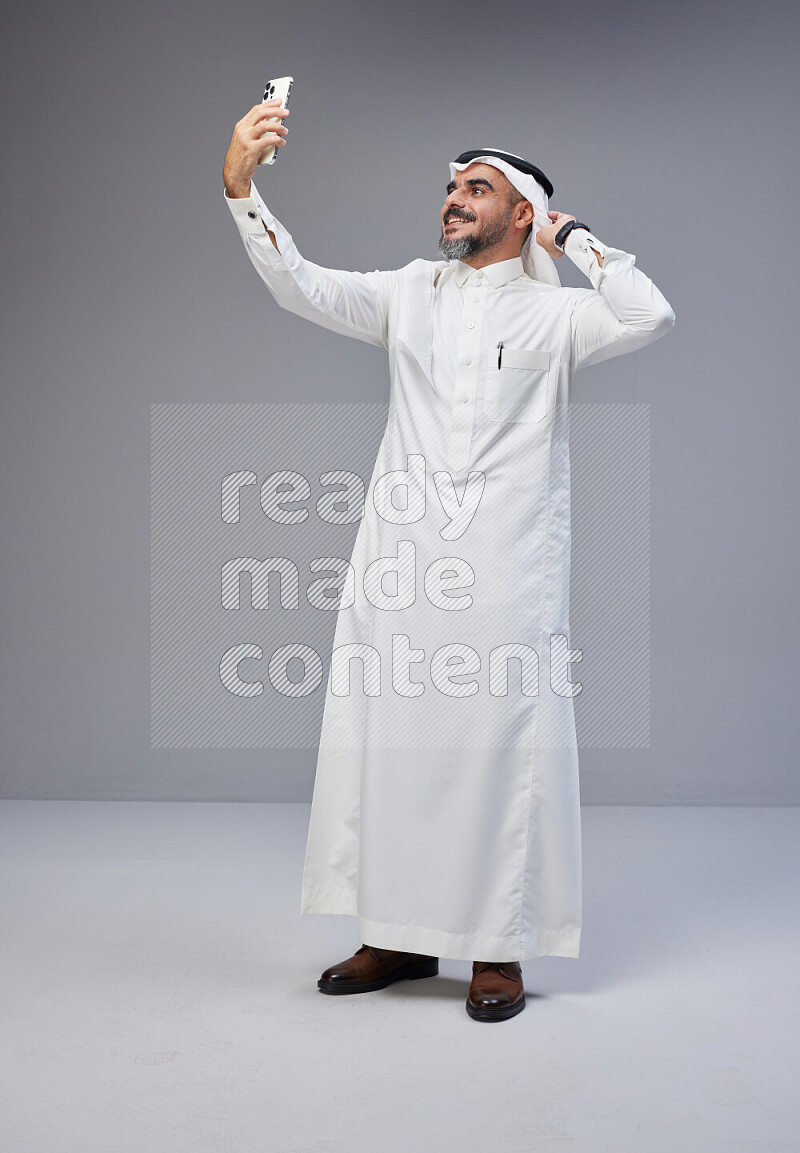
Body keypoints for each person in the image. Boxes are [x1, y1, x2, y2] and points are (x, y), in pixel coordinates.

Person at [223, 100, 675, 1022]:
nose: (453, 202)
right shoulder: (409, 293)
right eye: (450, 189)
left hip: (509, 565)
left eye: (478, 190)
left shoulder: (557, 319)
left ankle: (497, 949)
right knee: (393, 739)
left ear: (523, 215)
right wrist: (240, 187)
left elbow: (650, 313)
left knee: (499, 747)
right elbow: (299, 285)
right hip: (403, 557)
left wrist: (573, 237)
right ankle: (397, 931)